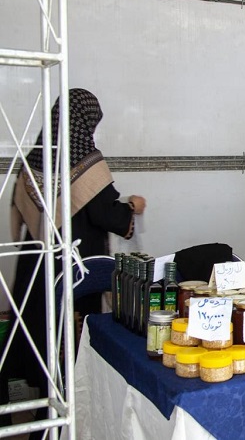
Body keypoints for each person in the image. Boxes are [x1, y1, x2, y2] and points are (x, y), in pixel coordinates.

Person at [1, 88, 146, 434]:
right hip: (74, 272)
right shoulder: (87, 163)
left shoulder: (33, 160)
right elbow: (104, 213)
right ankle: (66, 420)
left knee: (36, 335)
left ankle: (39, 414)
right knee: (69, 341)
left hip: (36, 268)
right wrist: (132, 207)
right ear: (85, 123)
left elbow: (20, 210)